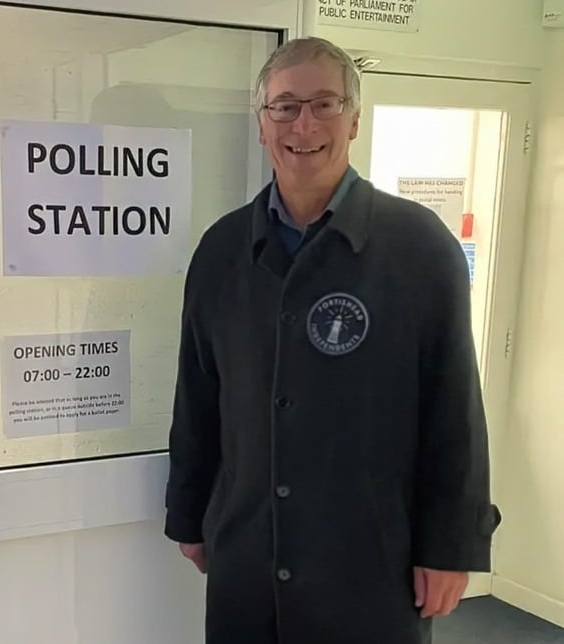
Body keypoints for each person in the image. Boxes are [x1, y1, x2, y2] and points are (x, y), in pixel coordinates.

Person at [164, 36, 501, 644]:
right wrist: (188, 513)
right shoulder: (221, 250)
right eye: (285, 106)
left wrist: (452, 545)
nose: (304, 125)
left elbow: (454, 410)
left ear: (354, 120)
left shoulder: (420, 247)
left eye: (325, 103)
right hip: (248, 557)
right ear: (262, 124)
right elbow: (197, 395)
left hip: (373, 561)